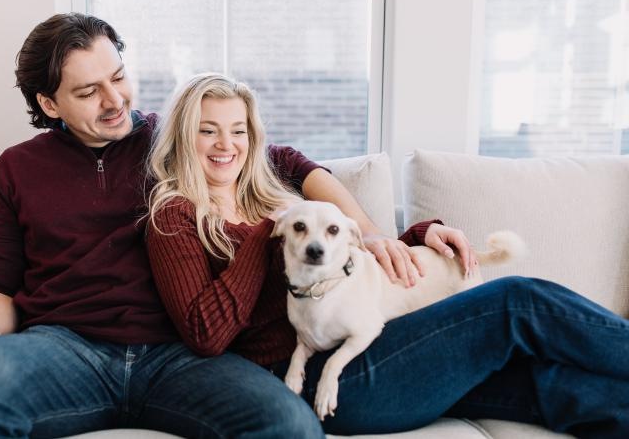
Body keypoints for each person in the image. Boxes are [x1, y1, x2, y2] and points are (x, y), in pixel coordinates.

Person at [0, 13, 449, 438]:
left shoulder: (171, 137)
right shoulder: (17, 168)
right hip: (66, 347)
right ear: (48, 103)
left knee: (289, 424)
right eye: (87, 93)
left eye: (119, 77)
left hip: (184, 354)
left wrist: (374, 231)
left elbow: (284, 162)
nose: (114, 101)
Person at [145, 72, 629, 439]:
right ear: (185, 137)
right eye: (208, 131)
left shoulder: (276, 181)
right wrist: (262, 235)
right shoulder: (174, 217)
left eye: (238, 131)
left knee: (550, 388)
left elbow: (357, 237)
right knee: (514, 303)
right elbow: (206, 334)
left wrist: (421, 234)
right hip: (326, 380)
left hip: (392, 343)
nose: (226, 145)